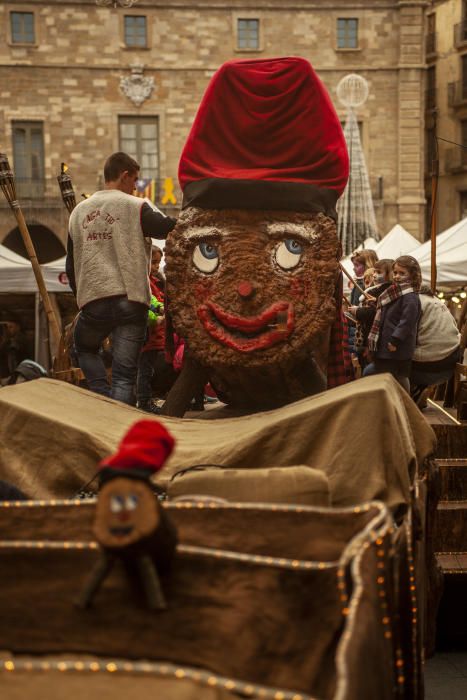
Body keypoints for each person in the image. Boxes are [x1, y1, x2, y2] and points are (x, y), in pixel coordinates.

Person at [66, 152, 177, 405]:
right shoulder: (135, 207)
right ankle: (118, 423)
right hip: (131, 300)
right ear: (124, 175)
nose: (136, 187)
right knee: (124, 375)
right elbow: (167, 227)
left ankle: (102, 398)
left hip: (94, 299)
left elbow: (71, 265)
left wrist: (80, 296)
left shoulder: (77, 213)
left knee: (84, 348)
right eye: (135, 180)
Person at [367, 255, 422, 392]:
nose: (397, 276)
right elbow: (389, 315)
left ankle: (404, 404)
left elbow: (407, 321)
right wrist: (376, 304)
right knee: (388, 376)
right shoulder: (395, 292)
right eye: (395, 272)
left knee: (399, 377)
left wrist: (395, 340)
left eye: (402, 273)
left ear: (413, 275)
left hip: (397, 347)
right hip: (387, 345)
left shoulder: (410, 296)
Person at [136, 247, 176, 412]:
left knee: (149, 370)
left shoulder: (156, 281)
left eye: (158, 262)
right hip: (149, 337)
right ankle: (144, 402)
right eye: (153, 262)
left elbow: (155, 302)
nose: (156, 266)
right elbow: (144, 306)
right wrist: (157, 317)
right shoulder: (143, 282)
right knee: (144, 371)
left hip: (157, 336)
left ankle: (148, 399)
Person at [410, 286, 461, 405]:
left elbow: (408, 334)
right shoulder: (438, 301)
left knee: (396, 361)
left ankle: (410, 394)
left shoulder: (413, 301)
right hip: (452, 359)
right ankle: (419, 391)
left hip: (427, 365)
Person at [348, 258, 393, 370]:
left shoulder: (386, 291)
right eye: (374, 272)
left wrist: (358, 311)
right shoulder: (376, 289)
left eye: (378, 272)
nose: (374, 275)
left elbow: (375, 313)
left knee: (368, 367)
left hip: (373, 335)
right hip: (366, 333)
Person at [0, 315, 30, 380]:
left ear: (18, 327)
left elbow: (13, 359)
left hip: (19, 375)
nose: (8, 330)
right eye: (7, 327)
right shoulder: (10, 340)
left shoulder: (20, 339)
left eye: (11, 327)